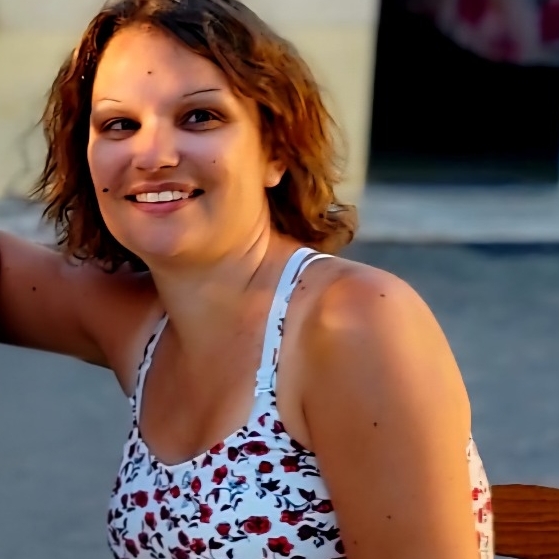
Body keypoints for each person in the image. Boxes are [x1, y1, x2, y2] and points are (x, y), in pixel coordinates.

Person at [0, 0, 493, 557]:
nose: (152, 155)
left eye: (199, 117)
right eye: (119, 124)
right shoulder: (144, 326)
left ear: (275, 151)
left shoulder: (352, 321)